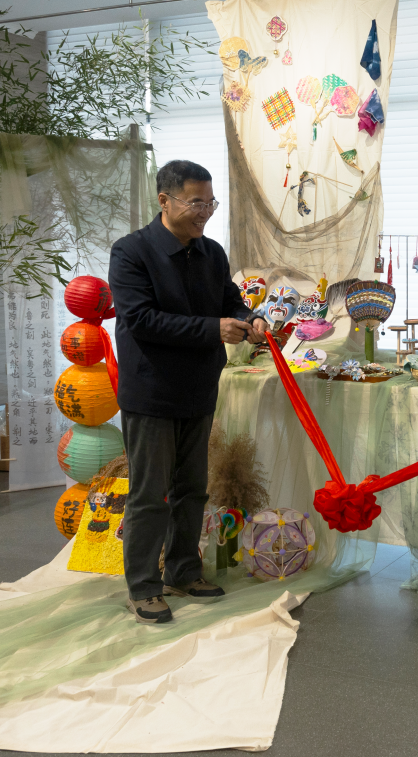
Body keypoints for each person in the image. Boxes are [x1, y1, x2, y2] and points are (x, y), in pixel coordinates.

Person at [109, 159, 268, 624]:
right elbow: (140, 319)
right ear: (165, 200)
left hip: (198, 388)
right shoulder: (131, 252)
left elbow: (230, 300)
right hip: (152, 392)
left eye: (210, 203)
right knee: (149, 494)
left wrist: (251, 316)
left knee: (192, 489)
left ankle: (183, 571)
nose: (204, 212)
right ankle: (143, 587)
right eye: (195, 203)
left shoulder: (211, 252)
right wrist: (213, 329)